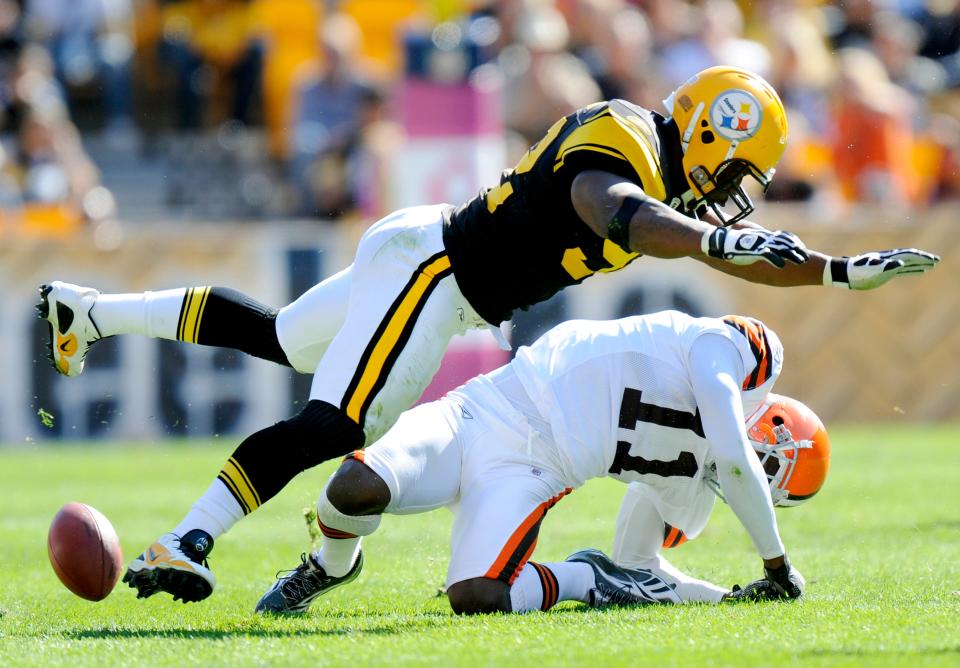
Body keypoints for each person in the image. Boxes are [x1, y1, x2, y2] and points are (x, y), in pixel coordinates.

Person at [37, 66, 933, 603]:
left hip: (426, 253)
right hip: (439, 277)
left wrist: (834, 270)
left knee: (280, 337)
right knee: (337, 423)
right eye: (734, 169)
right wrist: (719, 239)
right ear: (704, 127)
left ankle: (90, 309)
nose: (729, 193)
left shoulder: (661, 173)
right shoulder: (624, 137)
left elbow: (718, 246)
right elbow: (613, 210)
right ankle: (187, 541)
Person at [254, 311, 830, 614]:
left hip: (536, 469)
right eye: (769, 458)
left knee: (478, 598)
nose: (759, 465)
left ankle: (580, 578)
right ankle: (329, 566)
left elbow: (641, 569)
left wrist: (722, 598)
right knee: (353, 485)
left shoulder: (694, 493)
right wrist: (776, 567)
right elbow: (734, 456)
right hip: (485, 406)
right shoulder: (743, 355)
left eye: (769, 475)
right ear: (772, 414)